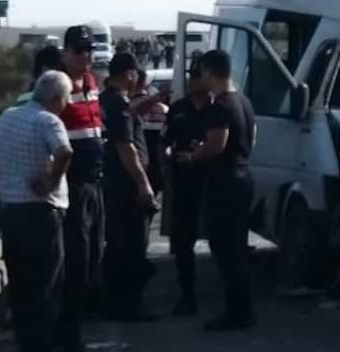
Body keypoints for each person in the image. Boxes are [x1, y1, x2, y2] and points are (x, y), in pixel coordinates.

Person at [0, 70, 75, 352]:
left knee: (21, 291)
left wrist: (11, 173)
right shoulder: (48, 121)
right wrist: (51, 180)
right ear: (54, 98)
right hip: (41, 214)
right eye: (66, 99)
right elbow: (65, 151)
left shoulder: (8, 116)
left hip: (12, 213)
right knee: (44, 289)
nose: (66, 105)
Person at [176, 49, 257, 331]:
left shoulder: (220, 106)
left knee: (226, 250)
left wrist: (192, 156)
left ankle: (237, 312)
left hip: (224, 183)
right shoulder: (244, 102)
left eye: (202, 73)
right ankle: (241, 309)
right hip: (242, 175)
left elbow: (216, 145)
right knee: (236, 248)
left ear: (210, 72)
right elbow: (250, 140)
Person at [100, 52, 160, 321]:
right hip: (126, 186)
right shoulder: (120, 104)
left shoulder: (106, 101)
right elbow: (126, 147)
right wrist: (143, 184)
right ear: (131, 74)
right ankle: (131, 304)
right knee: (133, 245)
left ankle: (114, 300)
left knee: (116, 243)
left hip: (112, 183)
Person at [57, 24, 105, 352]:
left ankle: (73, 333)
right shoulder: (56, 85)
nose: (85, 55)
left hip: (93, 183)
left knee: (91, 261)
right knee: (75, 265)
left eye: (89, 49)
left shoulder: (90, 82)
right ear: (65, 52)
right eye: (78, 50)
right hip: (71, 186)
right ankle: (68, 341)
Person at [160, 62, 212, 315]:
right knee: (183, 242)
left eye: (199, 77)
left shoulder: (219, 109)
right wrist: (167, 163)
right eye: (192, 76)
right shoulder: (179, 109)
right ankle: (187, 295)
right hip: (183, 182)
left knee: (221, 240)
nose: (194, 81)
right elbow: (164, 141)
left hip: (213, 182)